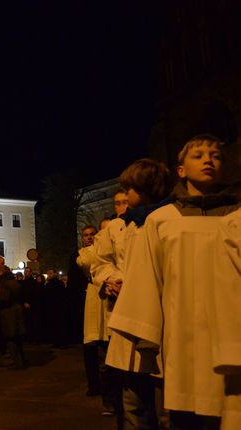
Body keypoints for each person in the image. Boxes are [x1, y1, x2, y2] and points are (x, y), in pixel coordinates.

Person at [109, 135, 241, 429]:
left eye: (216, 156)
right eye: (199, 155)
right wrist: (147, 338)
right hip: (183, 336)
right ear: (181, 170)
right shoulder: (163, 219)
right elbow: (147, 279)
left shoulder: (238, 217)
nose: (208, 160)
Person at [103, 158, 174, 430]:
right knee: (133, 402)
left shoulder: (168, 221)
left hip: (161, 321)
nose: (123, 196)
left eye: (129, 190)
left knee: (165, 403)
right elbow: (104, 262)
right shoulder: (124, 226)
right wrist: (111, 279)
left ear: (144, 188)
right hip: (128, 320)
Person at [91, 189, 130, 418]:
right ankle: (116, 403)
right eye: (118, 203)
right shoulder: (112, 230)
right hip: (117, 300)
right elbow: (99, 262)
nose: (122, 207)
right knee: (115, 362)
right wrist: (110, 280)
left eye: (125, 202)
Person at [71, 225, 103, 397]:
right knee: (90, 345)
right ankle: (94, 384)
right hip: (88, 298)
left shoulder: (103, 250)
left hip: (102, 295)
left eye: (92, 235)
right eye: (86, 235)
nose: (89, 237)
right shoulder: (79, 255)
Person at [0, 261, 27, 369]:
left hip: (8, 314)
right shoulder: (13, 282)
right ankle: (21, 361)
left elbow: (4, 299)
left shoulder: (5, 283)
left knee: (11, 338)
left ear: (1, 273)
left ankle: (18, 363)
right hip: (16, 312)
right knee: (17, 339)